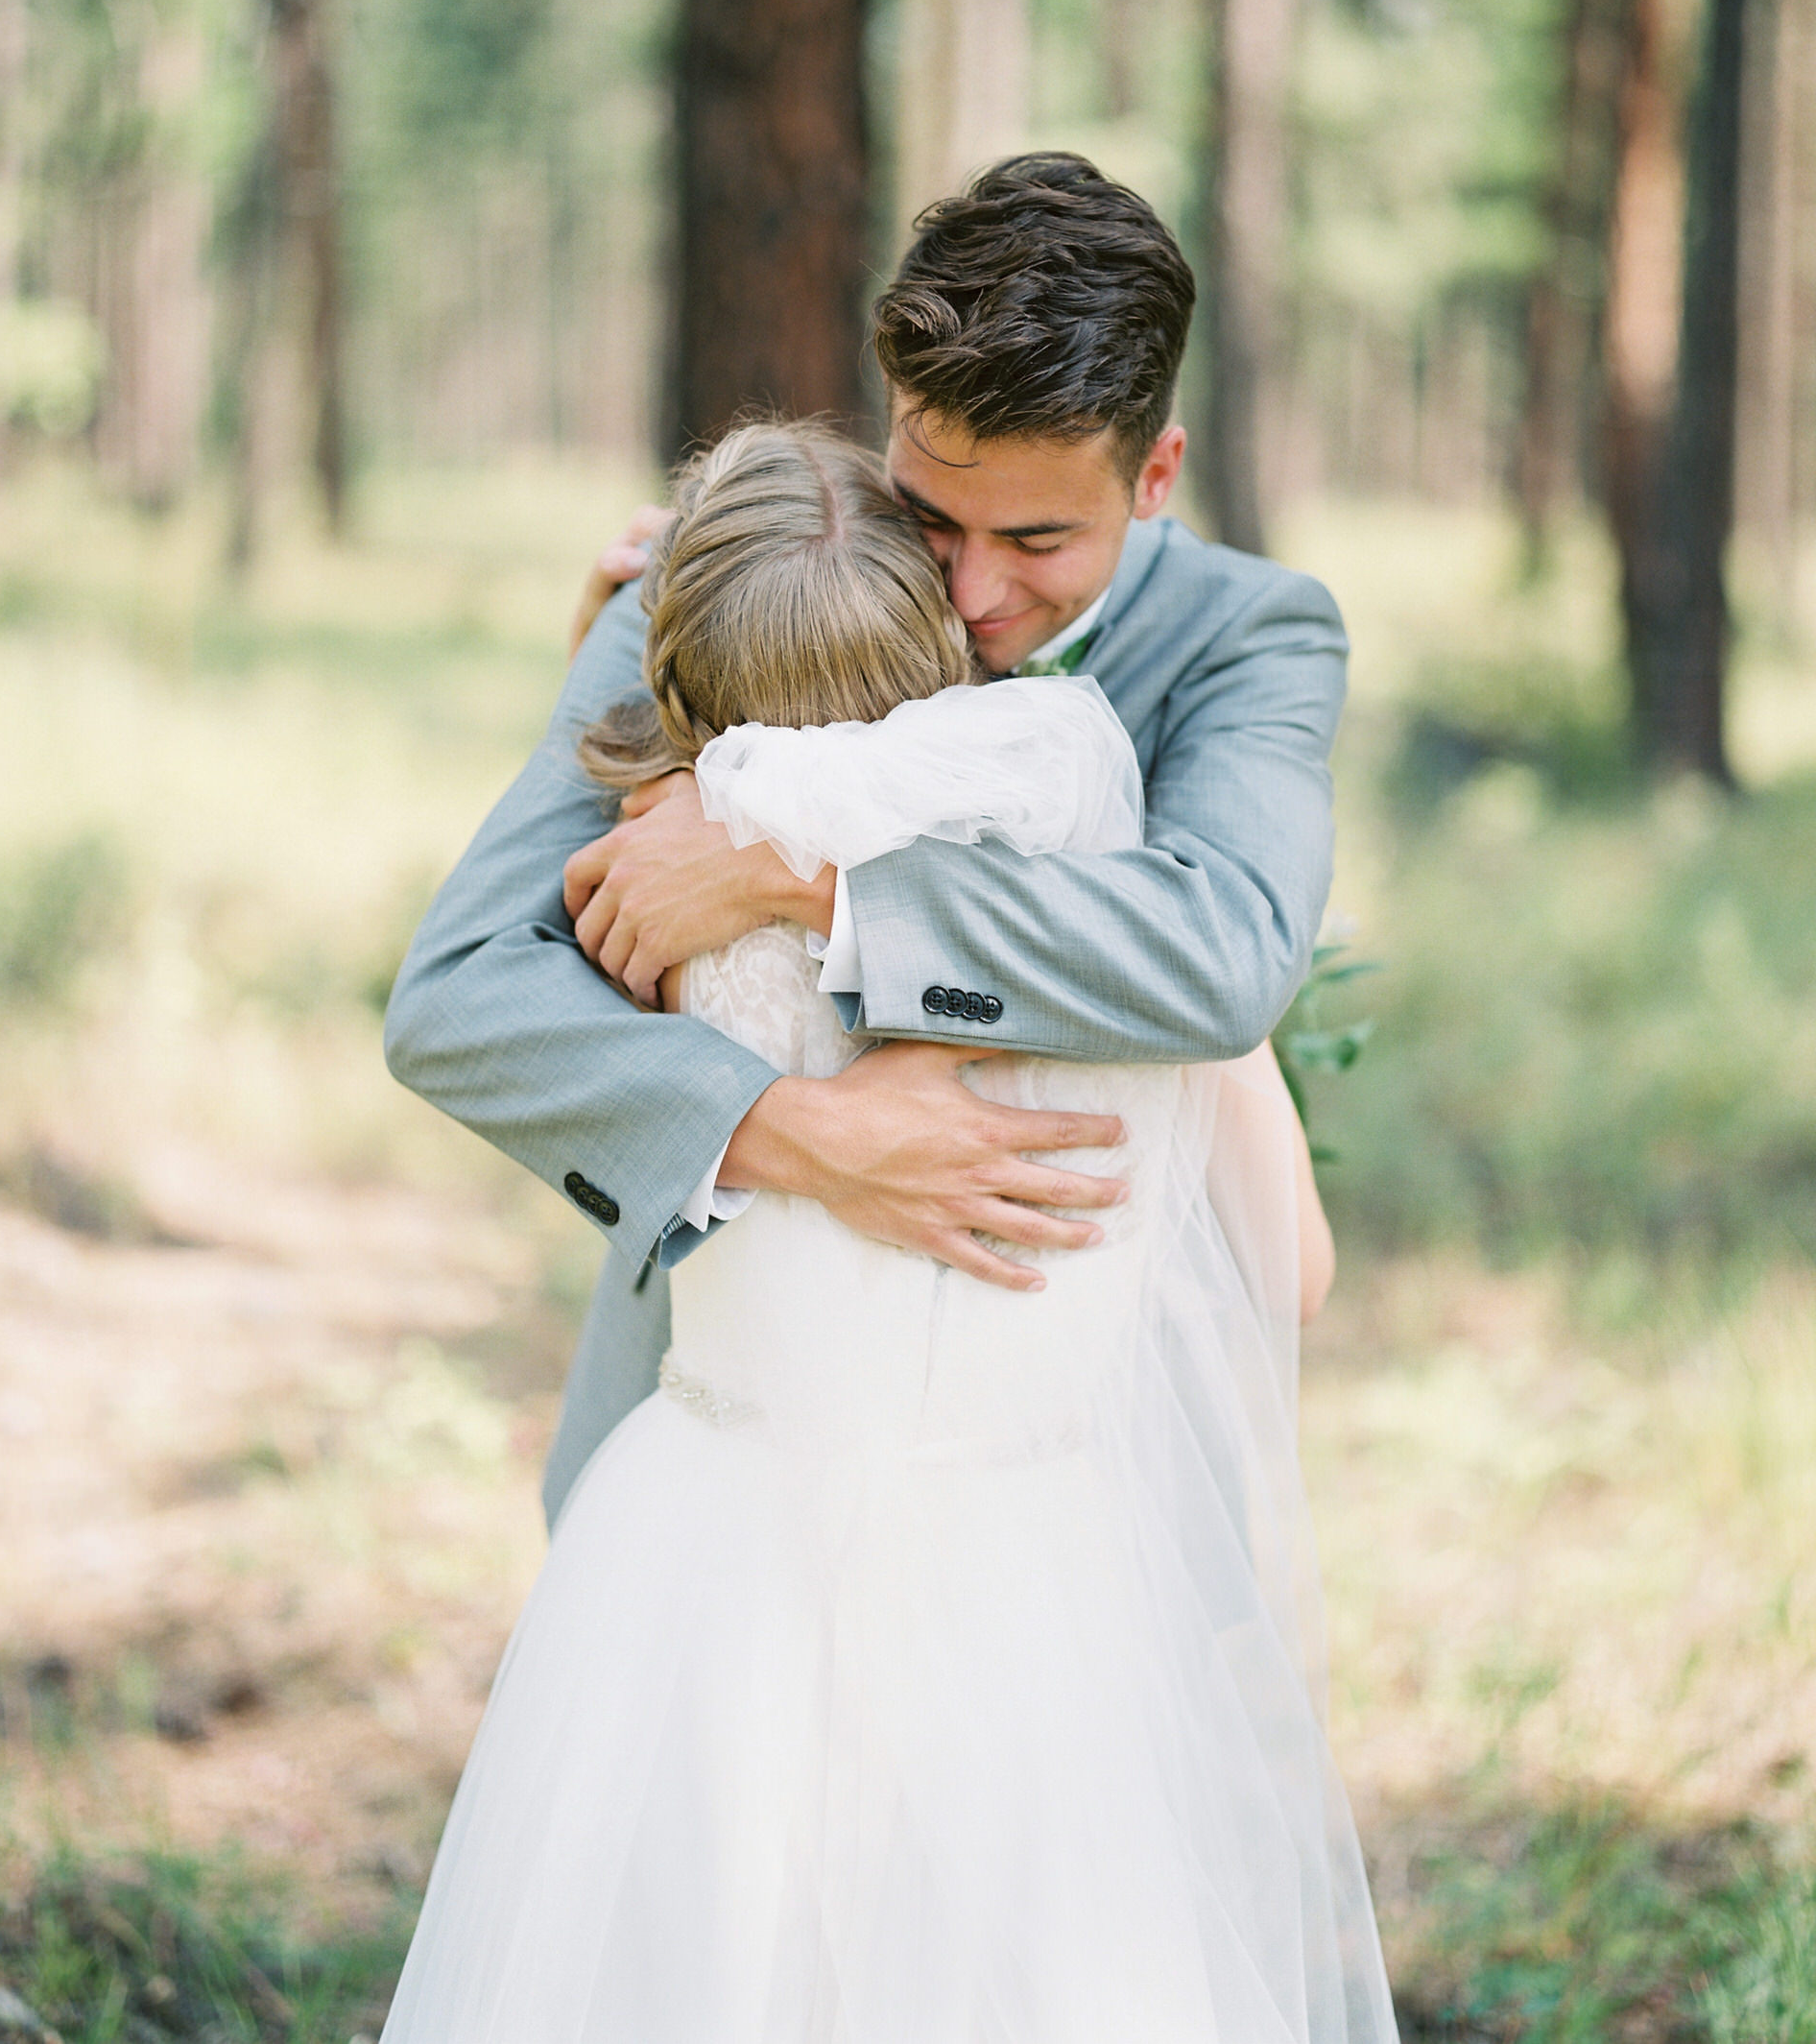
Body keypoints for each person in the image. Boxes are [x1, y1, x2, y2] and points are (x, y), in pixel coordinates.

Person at [378, 424, 1394, 2042]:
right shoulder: (1120, 891)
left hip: (700, 1570)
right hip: (1041, 1589)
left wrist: (609, 687)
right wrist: (1196, 1024)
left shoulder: (655, 888)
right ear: (944, 634)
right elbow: (1297, 1267)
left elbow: (543, 948)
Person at [384, 153, 1350, 1529]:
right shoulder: (718, 576)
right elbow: (461, 992)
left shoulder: (1249, 637)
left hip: (1078, 1453)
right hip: (731, 1426)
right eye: (932, 512)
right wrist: (796, 1132)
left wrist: (799, 874)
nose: (968, 588)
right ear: (897, 411)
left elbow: (1228, 950)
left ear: (1155, 474)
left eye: (1036, 537)